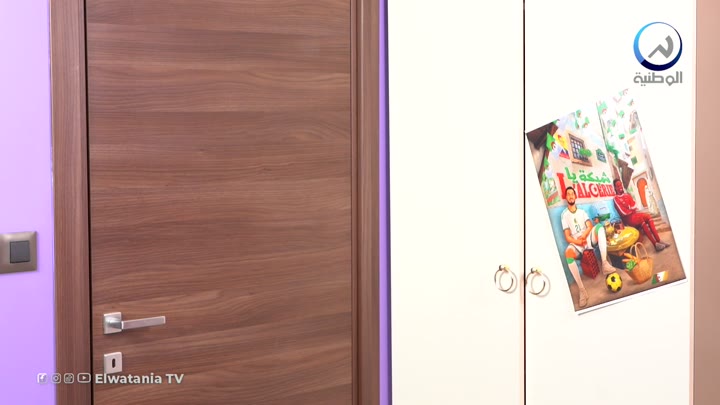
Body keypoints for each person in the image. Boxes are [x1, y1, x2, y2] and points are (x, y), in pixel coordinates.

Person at [561, 186, 615, 308]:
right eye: (568, 194)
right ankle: (582, 290)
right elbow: (567, 237)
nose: (570, 196)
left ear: (575, 196)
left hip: (587, 239)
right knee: (568, 254)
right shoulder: (564, 215)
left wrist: (585, 236)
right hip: (577, 244)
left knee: (599, 228)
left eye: (572, 194)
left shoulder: (582, 212)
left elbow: (589, 226)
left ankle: (605, 264)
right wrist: (577, 241)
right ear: (566, 197)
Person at [612, 179, 669, 252]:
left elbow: (634, 205)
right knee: (641, 220)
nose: (620, 187)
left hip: (634, 215)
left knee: (648, 217)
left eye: (620, 185)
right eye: (618, 186)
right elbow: (623, 212)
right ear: (615, 188)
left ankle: (659, 240)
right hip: (628, 219)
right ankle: (655, 244)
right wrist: (630, 208)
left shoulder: (627, 195)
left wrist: (629, 208)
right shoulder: (616, 199)